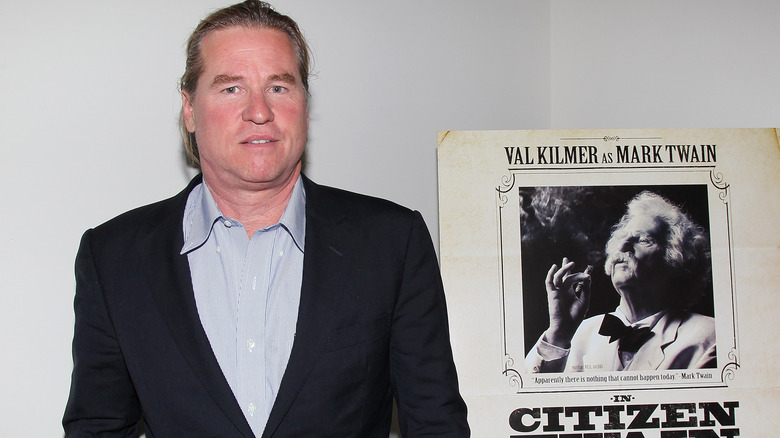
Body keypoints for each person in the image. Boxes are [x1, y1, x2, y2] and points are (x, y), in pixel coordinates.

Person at [62, 1, 469, 437]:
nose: (260, 111)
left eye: (279, 87)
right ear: (189, 109)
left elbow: (435, 423)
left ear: (304, 105)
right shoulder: (113, 257)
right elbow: (97, 427)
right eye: (230, 88)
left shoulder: (392, 242)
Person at [525, 191, 716, 373]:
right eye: (622, 238)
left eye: (643, 240)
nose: (623, 246)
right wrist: (559, 334)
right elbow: (527, 401)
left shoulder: (710, 337)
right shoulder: (572, 336)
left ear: (675, 259)